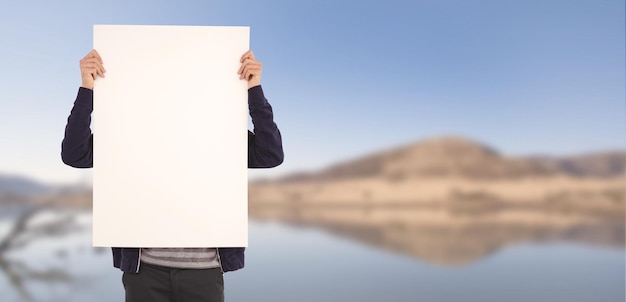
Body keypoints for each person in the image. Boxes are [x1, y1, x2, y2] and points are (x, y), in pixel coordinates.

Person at [61, 49, 284, 302]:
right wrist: (87, 89)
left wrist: (254, 89)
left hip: (205, 270)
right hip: (144, 269)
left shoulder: (219, 133)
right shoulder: (130, 132)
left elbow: (271, 154)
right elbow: (74, 155)